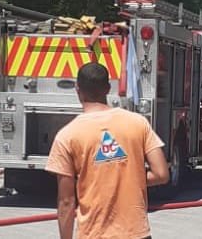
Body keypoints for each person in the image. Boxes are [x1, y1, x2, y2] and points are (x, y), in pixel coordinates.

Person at [46, 61, 170, 239]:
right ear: (107, 88)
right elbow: (161, 174)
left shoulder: (67, 135)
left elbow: (66, 201)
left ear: (77, 89)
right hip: (136, 234)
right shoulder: (138, 122)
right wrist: (127, 177)